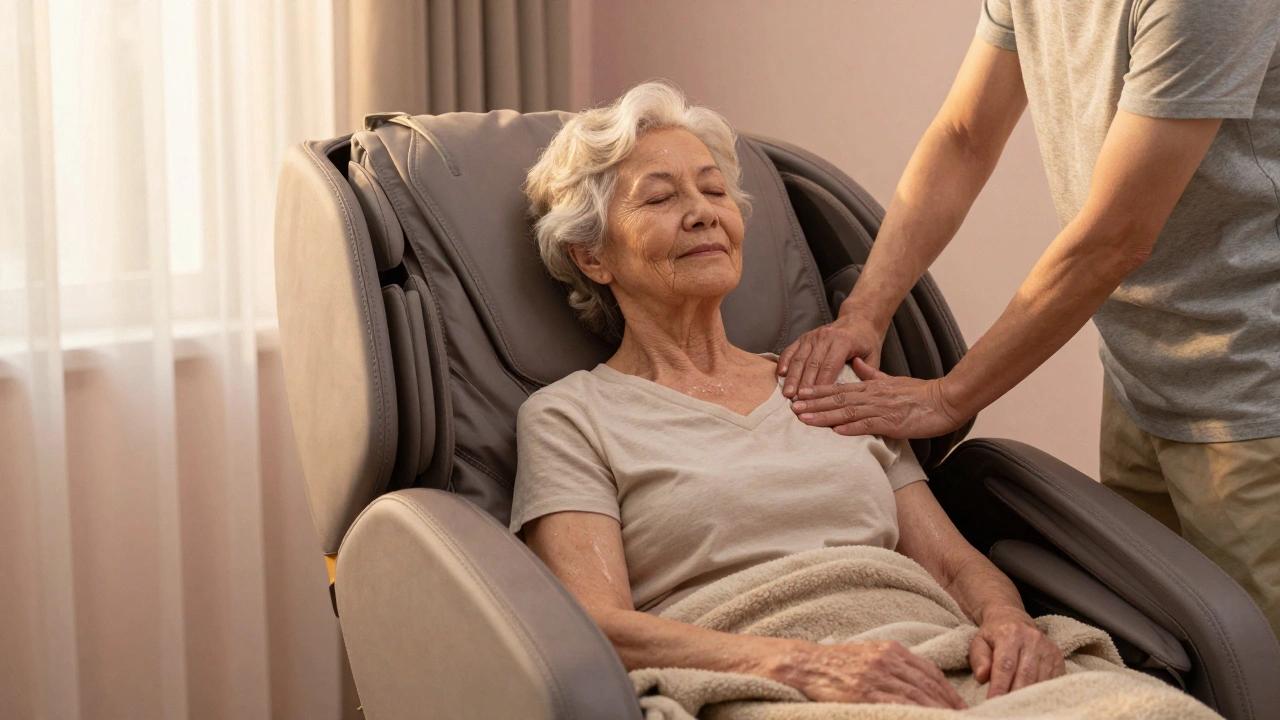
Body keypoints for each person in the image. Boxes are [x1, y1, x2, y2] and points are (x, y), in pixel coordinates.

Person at [511, 80, 1066, 710]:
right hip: (772, 683)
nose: (703, 213)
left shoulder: (832, 384)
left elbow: (951, 567)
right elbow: (597, 626)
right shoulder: (571, 417)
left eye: (714, 191)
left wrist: (1008, 623)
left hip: (940, 655)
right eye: (660, 198)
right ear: (591, 257)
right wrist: (801, 664)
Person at [779, 0, 1280, 639]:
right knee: (1166, 646)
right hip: (1139, 369)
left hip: (1251, 380)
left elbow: (1113, 239)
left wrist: (947, 397)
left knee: (1256, 661)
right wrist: (864, 311)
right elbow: (964, 135)